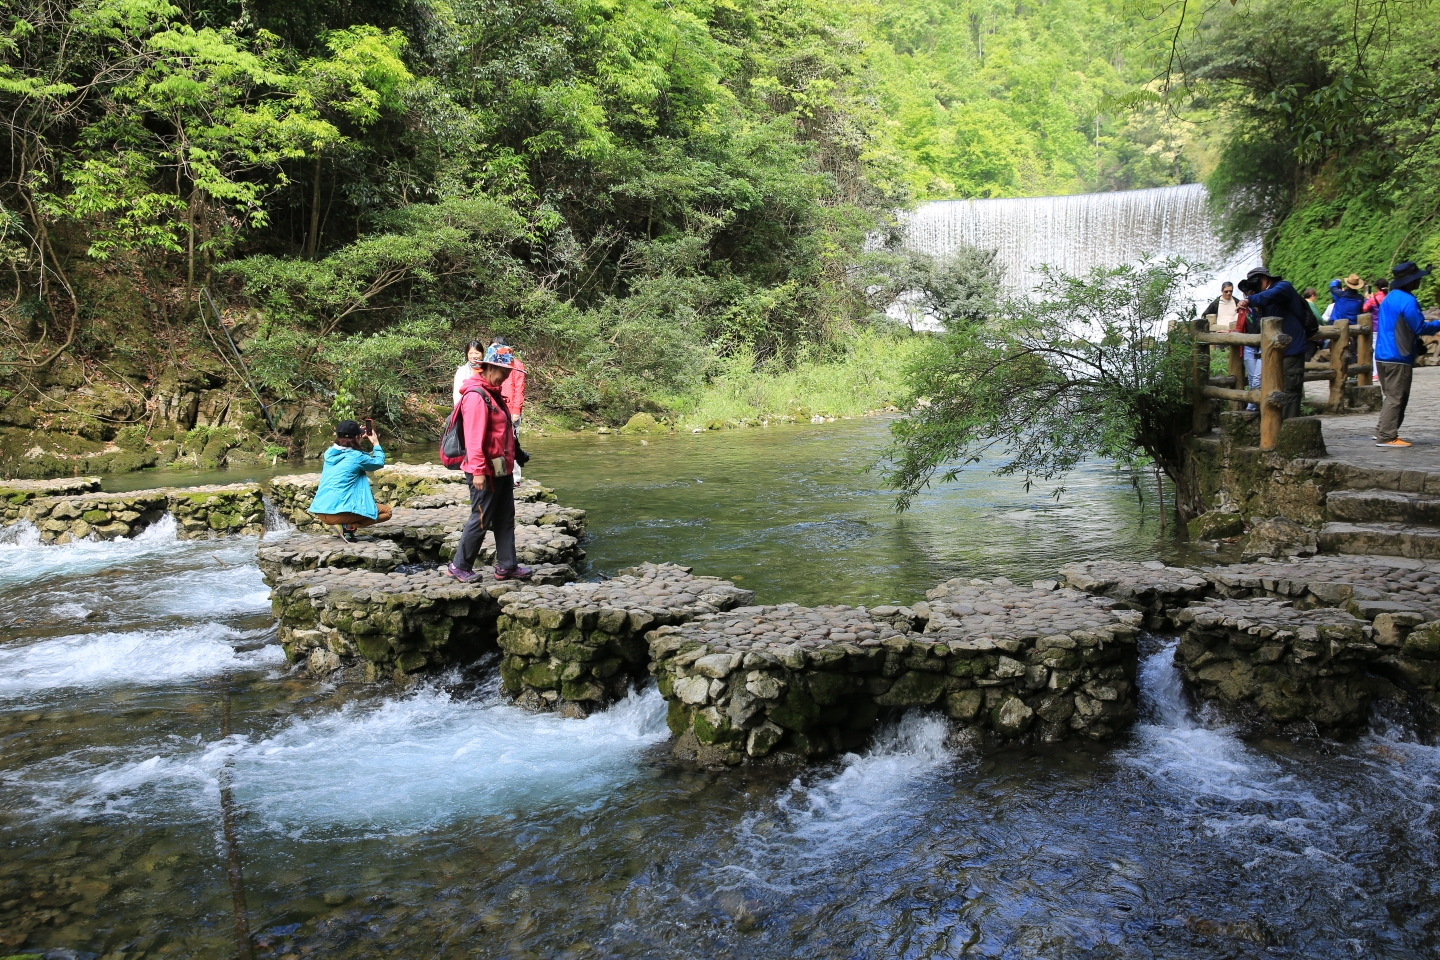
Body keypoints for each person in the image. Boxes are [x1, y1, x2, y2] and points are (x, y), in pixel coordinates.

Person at [447, 343, 532, 582]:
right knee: (482, 516)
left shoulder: (494, 394)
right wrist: (478, 472)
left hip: (501, 467)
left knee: (505, 516)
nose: (507, 376)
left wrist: (517, 454)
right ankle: (459, 565)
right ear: (490, 367)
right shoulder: (476, 396)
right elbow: (474, 438)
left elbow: (503, 433)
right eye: (505, 372)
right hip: (483, 470)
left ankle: (507, 565)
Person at [1373, 262, 1438, 448]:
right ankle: (1386, 436)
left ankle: (1381, 430)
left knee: (1391, 395)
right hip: (1398, 356)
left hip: (1382, 354)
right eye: (1417, 278)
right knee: (1397, 397)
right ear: (1410, 281)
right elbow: (1419, 327)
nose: (1419, 281)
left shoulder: (1391, 297)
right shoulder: (1408, 301)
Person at [1240, 266, 1315, 419]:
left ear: (1266, 279)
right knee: (1274, 388)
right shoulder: (1262, 298)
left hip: (1292, 349)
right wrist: (1253, 306)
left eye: (1255, 282)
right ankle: (1275, 429)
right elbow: (1259, 324)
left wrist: (1250, 300)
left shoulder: (1283, 287)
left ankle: (1289, 432)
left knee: (1290, 390)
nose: (1253, 287)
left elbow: (1272, 294)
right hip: (1275, 351)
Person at [308, 420, 392, 542]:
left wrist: (357, 439)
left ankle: (342, 525)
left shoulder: (329, 454)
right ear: (356, 437)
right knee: (386, 512)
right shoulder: (357, 456)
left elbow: (347, 450)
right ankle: (349, 526)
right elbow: (378, 462)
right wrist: (376, 443)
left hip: (321, 512)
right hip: (339, 513)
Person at [494, 336, 527, 482]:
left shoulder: (517, 364)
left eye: (498, 347)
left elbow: (519, 389)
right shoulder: (491, 364)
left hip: (511, 409)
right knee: (496, 444)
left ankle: (515, 478)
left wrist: (516, 410)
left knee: (512, 443)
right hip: (495, 408)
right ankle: (499, 474)